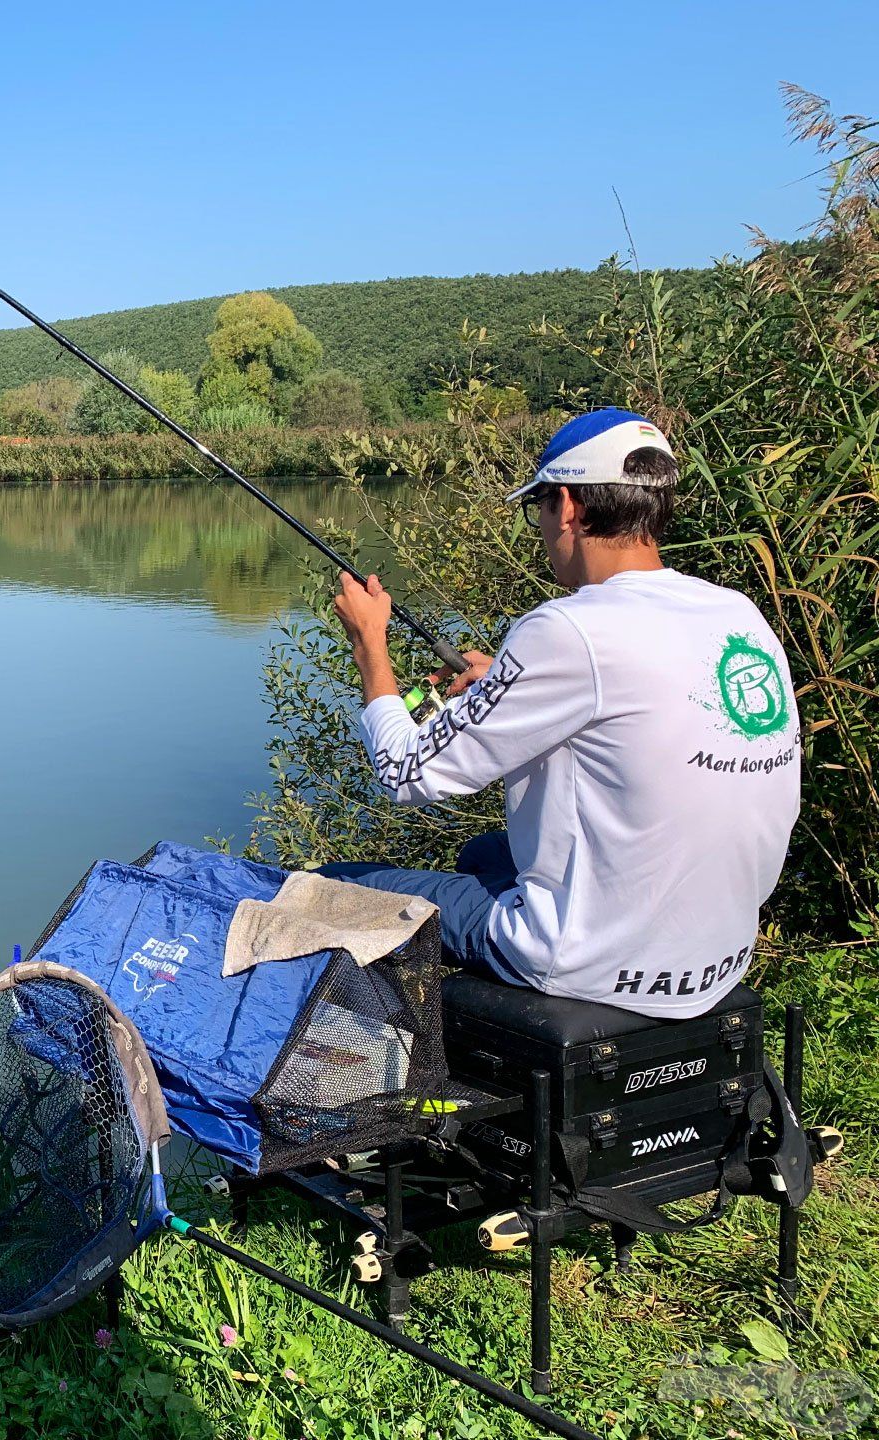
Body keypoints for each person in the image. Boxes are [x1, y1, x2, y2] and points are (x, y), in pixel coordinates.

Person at [325, 409, 800, 1018]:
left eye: (540, 509)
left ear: (569, 505)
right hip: (717, 958)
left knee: (327, 889)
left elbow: (405, 772)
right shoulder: (736, 615)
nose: (543, 528)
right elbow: (627, 708)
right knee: (481, 856)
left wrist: (372, 649)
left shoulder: (570, 629)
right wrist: (505, 681)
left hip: (597, 964)